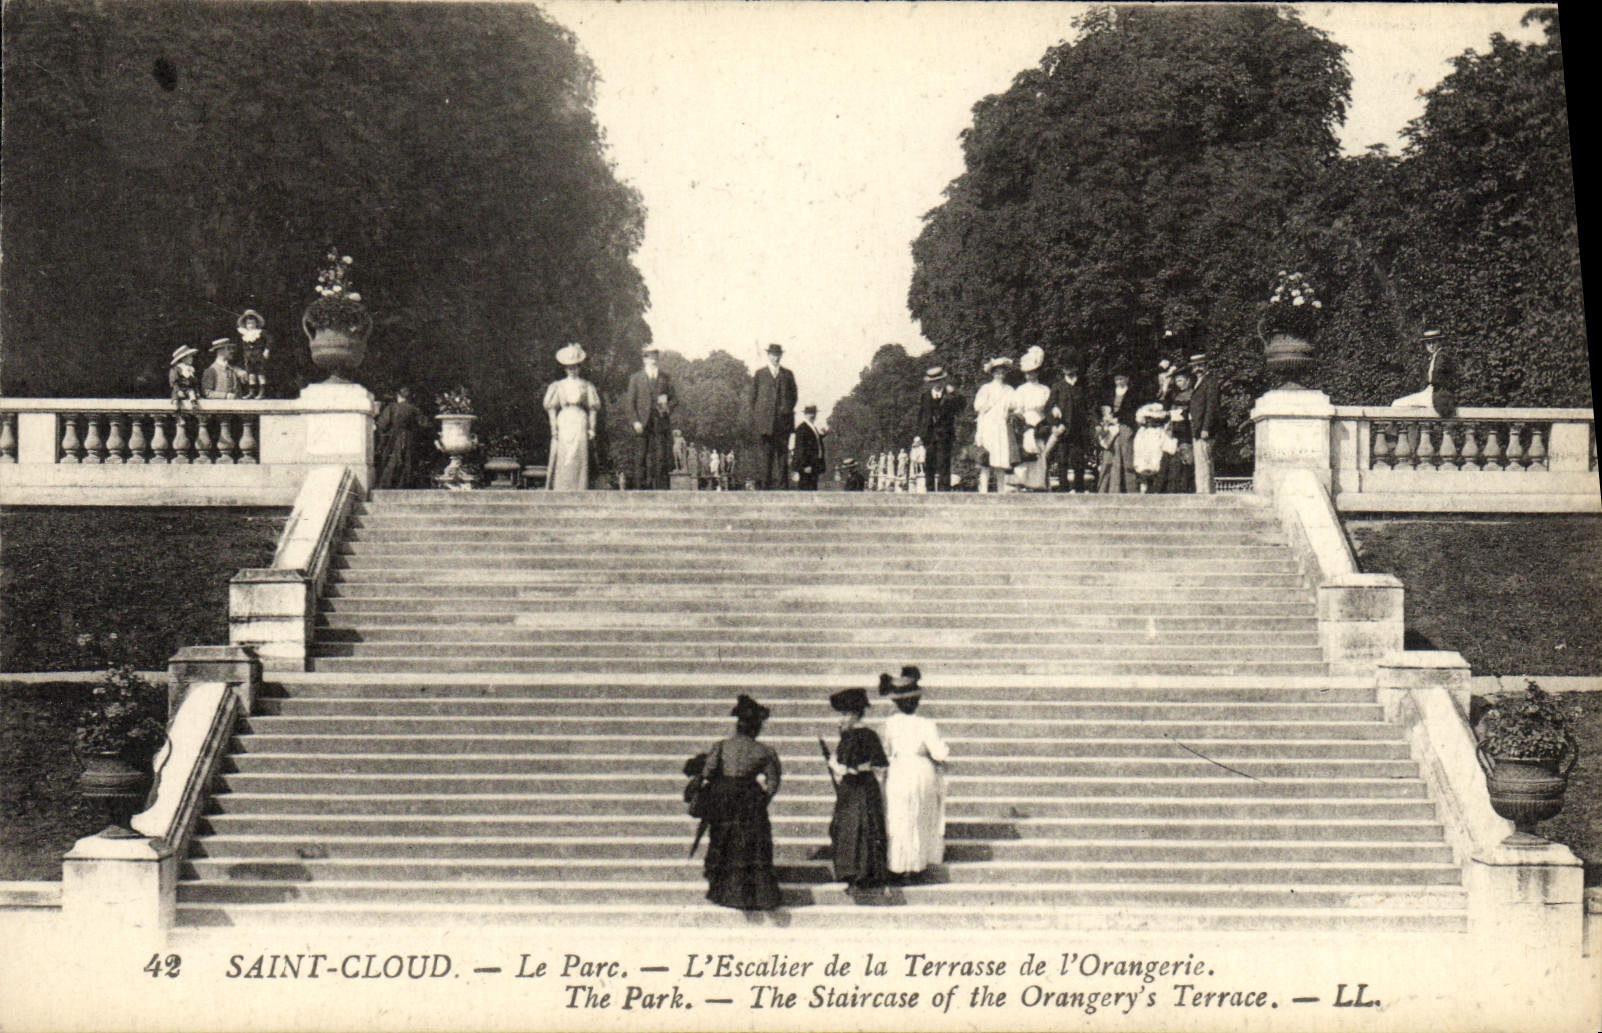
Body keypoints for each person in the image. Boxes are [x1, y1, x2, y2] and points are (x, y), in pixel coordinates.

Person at [700, 694, 783, 910]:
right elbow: (773, 782)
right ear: (756, 728)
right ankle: (756, 895)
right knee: (751, 847)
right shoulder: (765, 751)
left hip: (723, 799)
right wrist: (761, 800)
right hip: (750, 800)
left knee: (723, 842)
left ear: (738, 725)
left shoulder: (721, 746)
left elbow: (708, 771)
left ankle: (722, 891)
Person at [879, 666, 949, 882]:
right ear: (916, 702)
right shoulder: (926, 724)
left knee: (899, 817)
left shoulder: (888, 725)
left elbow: (884, 753)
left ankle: (899, 865)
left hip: (899, 770)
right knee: (919, 815)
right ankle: (917, 863)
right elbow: (939, 752)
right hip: (920, 771)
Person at [825, 687, 890, 893]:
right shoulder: (870, 735)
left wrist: (835, 763)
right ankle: (870, 872)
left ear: (854, 714)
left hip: (853, 788)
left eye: (844, 715)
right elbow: (881, 763)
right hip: (867, 786)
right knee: (868, 826)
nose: (841, 720)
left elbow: (843, 764)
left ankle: (852, 872)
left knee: (851, 827)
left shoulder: (851, 736)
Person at [543, 343, 602, 491]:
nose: (572, 370)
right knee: (564, 454)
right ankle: (561, 487)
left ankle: (580, 487)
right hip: (565, 419)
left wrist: (592, 428)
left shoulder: (586, 385)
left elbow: (593, 408)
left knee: (579, 454)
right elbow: (551, 407)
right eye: (569, 367)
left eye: (575, 367)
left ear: (579, 367)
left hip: (580, 419)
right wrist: (553, 428)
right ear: (565, 369)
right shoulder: (558, 386)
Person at [625, 345, 676, 490]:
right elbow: (630, 403)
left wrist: (667, 408)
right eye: (649, 357)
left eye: (654, 357)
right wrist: (635, 421)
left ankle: (661, 490)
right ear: (644, 359)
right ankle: (639, 490)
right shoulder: (635, 378)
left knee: (661, 457)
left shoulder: (665, 377)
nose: (652, 360)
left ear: (657, 358)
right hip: (642, 422)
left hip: (660, 421)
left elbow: (674, 399)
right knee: (640, 456)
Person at [748, 343, 798, 489]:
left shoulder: (787, 374)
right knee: (766, 457)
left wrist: (786, 409)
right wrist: (760, 416)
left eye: (778, 355)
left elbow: (794, 396)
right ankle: (765, 488)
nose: (775, 358)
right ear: (768, 355)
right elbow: (753, 398)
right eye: (773, 355)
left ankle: (783, 487)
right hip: (765, 424)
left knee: (782, 456)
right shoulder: (760, 374)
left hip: (783, 423)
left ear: (781, 356)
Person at [1010, 347, 1055, 492]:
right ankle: (1022, 483)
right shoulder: (1021, 390)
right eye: (1028, 373)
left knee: (1040, 454)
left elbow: (1049, 409)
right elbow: (1018, 410)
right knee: (1025, 453)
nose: (1030, 376)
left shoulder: (1045, 389)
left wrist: (1044, 424)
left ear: (1037, 372)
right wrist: (1025, 425)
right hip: (1025, 423)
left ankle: (1038, 484)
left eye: (1033, 372)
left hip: (1040, 423)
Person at [1047, 351, 1093, 492]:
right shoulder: (1058, 387)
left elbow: (1090, 407)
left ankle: (1078, 489)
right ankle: (1063, 488)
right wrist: (1055, 423)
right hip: (1063, 429)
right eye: (1065, 367)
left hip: (1078, 430)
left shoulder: (1083, 386)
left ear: (1076, 368)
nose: (1068, 370)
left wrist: (1092, 425)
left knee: (1078, 461)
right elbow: (1049, 407)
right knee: (1062, 460)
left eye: (1071, 367)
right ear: (1062, 370)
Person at [915, 366, 963, 492]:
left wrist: (954, 393)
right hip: (929, 436)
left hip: (945, 435)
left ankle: (944, 492)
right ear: (930, 383)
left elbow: (961, 406)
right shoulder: (925, 396)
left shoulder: (950, 396)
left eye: (939, 381)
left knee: (944, 464)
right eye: (934, 381)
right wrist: (919, 435)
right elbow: (921, 416)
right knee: (929, 464)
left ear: (943, 381)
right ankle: (929, 490)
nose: (937, 384)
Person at [973, 357, 1017, 493]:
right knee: (986, 456)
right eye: (997, 372)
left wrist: (1009, 410)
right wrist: (988, 406)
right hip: (988, 425)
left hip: (1002, 425)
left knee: (1001, 457)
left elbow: (1015, 405)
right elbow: (977, 406)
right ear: (992, 373)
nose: (1000, 375)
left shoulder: (1009, 389)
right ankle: (984, 489)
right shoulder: (986, 388)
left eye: (1002, 372)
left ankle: (1001, 489)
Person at [374, 387, 429, 490]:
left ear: (398, 396)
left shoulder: (392, 407)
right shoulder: (414, 409)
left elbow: (382, 424)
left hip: (395, 437)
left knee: (393, 458)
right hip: (410, 437)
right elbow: (424, 424)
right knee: (408, 459)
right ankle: (405, 484)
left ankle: (388, 484)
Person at [1187, 352, 1220, 493]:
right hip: (1197, 428)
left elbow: (1211, 407)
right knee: (1200, 462)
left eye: (1199, 366)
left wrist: (1206, 427)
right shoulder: (1198, 382)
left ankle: (1205, 492)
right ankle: (1202, 491)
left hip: (1203, 429)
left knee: (1204, 461)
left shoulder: (1210, 382)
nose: (1196, 369)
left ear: (1206, 366)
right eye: (1194, 367)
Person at [1101, 368, 1138, 492]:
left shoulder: (1132, 393)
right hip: (1111, 428)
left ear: (1127, 379)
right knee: (1110, 457)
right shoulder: (1110, 393)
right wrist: (1107, 418)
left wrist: (1119, 419)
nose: (1119, 382)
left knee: (1127, 457)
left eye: (1121, 379)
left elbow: (1133, 412)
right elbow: (1102, 408)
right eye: (1117, 379)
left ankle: (1130, 490)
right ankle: (1110, 489)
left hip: (1125, 427)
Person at [1160, 370, 1196, 494]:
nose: (1178, 383)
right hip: (1174, 430)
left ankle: (1187, 488)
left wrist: (1183, 414)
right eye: (1177, 381)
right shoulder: (1174, 395)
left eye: (1180, 380)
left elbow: (1193, 411)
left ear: (1187, 380)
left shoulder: (1193, 393)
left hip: (1186, 430)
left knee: (1187, 460)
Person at [236, 310, 272, 400]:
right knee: (251, 374)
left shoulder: (260, 332)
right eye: (248, 323)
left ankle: (262, 392)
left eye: (252, 323)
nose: (250, 325)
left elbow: (270, 340)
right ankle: (251, 392)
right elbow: (243, 346)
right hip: (249, 356)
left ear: (256, 323)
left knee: (260, 374)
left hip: (258, 355)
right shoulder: (245, 334)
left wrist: (266, 350)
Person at [1132, 402, 1168, 493]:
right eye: (1148, 418)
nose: (1151, 421)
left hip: (1155, 445)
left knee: (1156, 461)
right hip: (1145, 446)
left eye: (1154, 419)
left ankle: (1155, 488)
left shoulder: (1160, 432)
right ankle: (1143, 486)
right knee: (1142, 464)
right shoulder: (1142, 432)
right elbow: (1138, 447)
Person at [791, 404, 826, 490]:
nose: (812, 415)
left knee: (813, 488)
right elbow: (800, 448)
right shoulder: (802, 428)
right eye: (809, 413)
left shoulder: (813, 428)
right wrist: (804, 466)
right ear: (805, 414)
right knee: (806, 489)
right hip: (807, 466)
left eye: (814, 413)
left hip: (814, 465)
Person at [1095, 406, 1126, 493]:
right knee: (1105, 472)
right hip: (1107, 453)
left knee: (1115, 472)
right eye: (1108, 414)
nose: (1111, 415)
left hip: (1115, 453)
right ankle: (1102, 491)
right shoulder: (1104, 427)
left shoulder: (1116, 426)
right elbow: (1103, 441)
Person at [168, 345, 200, 410]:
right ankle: (176, 405)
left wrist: (197, 392)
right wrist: (178, 390)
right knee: (176, 395)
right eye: (190, 357)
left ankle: (194, 403)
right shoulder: (176, 369)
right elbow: (174, 382)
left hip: (188, 388)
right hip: (179, 388)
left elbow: (194, 382)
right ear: (183, 358)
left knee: (191, 392)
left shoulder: (190, 370)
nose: (192, 359)